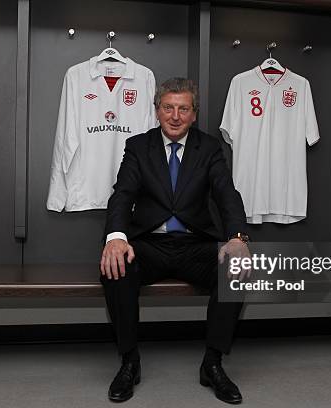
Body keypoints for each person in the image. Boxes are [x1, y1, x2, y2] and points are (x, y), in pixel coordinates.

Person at [100, 77, 251, 404]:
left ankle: (213, 364)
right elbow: (122, 194)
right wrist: (115, 237)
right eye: (168, 108)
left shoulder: (209, 148)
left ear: (194, 114)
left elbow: (227, 194)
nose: (175, 116)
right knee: (115, 268)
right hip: (149, 245)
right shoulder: (139, 147)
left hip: (195, 246)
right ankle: (130, 361)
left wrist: (237, 237)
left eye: (183, 109)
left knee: (237, 269)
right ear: (157, 111)